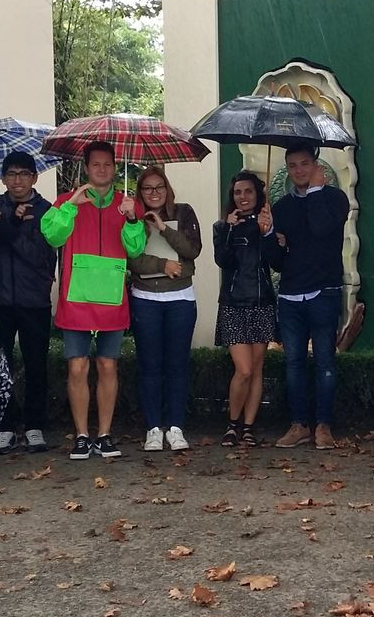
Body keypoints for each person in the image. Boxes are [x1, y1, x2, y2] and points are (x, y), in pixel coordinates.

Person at [41, 141, 146, 461]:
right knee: (76, 367)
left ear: (115, 168)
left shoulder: (127, 204)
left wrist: (130, 219)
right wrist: (71, 204)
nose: (102, 170)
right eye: (96, 164)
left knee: (108, 365)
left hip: (112, 298)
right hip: (77, 298)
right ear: (86, 168)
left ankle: (104, 434)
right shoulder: (64, 201)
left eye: (108, 164)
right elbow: (52, 236)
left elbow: (136, 250)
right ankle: (82, 436)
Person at [266, 144, 352, 450]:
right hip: (290, 294)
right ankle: (299, 424)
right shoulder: (281, 208)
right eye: (293, 165)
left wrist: (316, 192)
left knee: (326, 361)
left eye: (305, 164)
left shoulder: (335, 199)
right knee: (294, 363)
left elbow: (321, 229)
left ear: (317, 166)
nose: (299, 170)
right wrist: (268, 236)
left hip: (324, 291)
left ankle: (324, 426)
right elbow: (277, 261)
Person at [0, 152, 57, 454]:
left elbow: (41, 255)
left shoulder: (46, 211)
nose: (17, 180)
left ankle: (34, 426)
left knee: (36, 366)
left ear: (34, 177)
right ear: (3, 178)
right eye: (11, 174)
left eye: (24, 173)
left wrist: (7, 230)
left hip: (34, 300)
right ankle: (4, 426)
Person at [130, 166, 202, 452]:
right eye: (148, 188)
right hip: (145, 299)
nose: (154, 192)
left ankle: (175, 426)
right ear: (140, 193)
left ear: (167, 188)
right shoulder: (133, 218)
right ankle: (153, 427)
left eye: (159, 186)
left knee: (177, 364)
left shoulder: (184, 212)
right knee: (149, 366)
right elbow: (132, 259)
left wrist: (163, 228)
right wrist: (163, 265)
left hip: (180, 299)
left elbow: (192, 250)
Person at [214, 171, 278, 447]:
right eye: (238, 192)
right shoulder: (222, 227)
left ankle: (249, 427)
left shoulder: (267, 224)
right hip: (233, 304)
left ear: (257, 194)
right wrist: (229, 229)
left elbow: (276, 262)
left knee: (257, 367)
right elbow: (222, 260)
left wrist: (268, 234)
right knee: (244, 369)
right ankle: (232, 424)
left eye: (248, 191)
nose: (243, 197)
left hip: (262, 302)